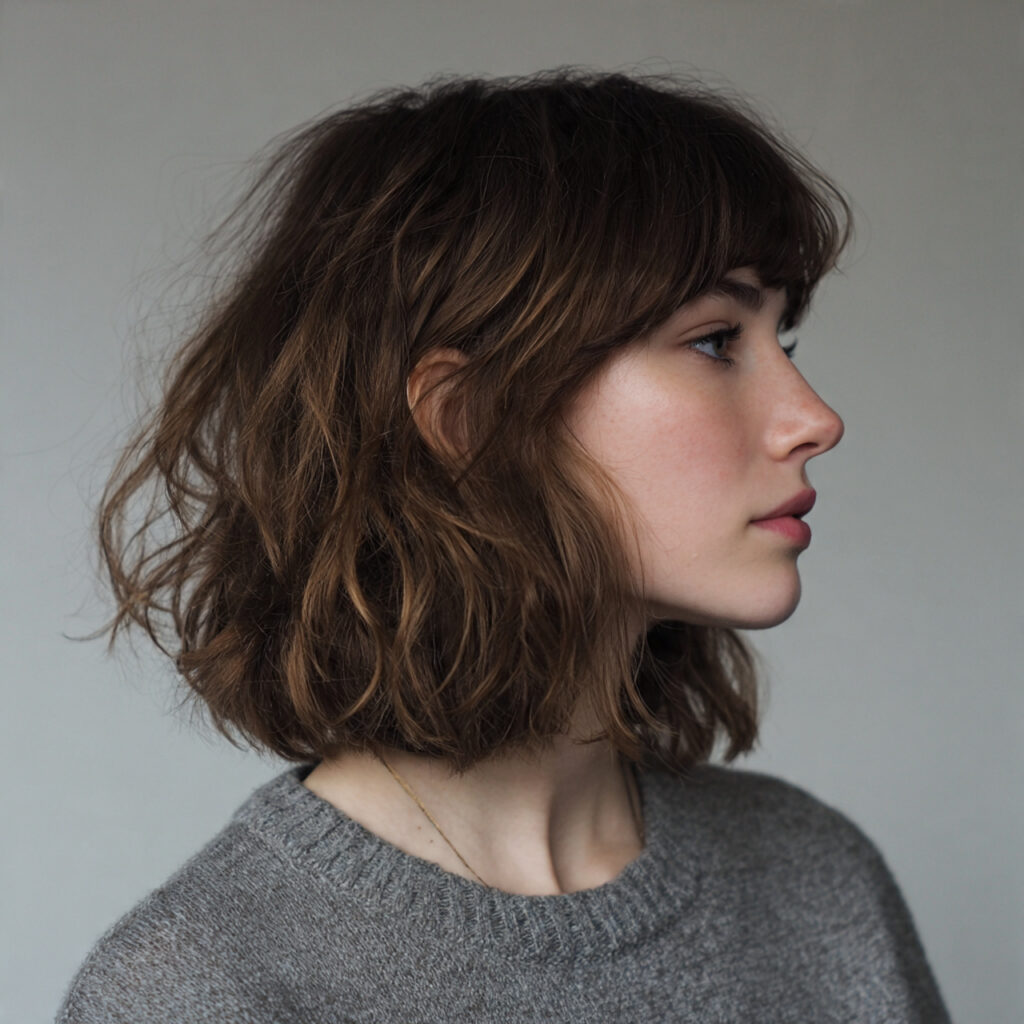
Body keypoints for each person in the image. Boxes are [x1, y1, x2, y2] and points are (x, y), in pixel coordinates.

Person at [57, 70, 951, 1022]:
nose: (815, 419)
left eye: (789, 343)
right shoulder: (200, 992)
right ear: (465, 412)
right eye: (715, 341)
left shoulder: (819, 883)